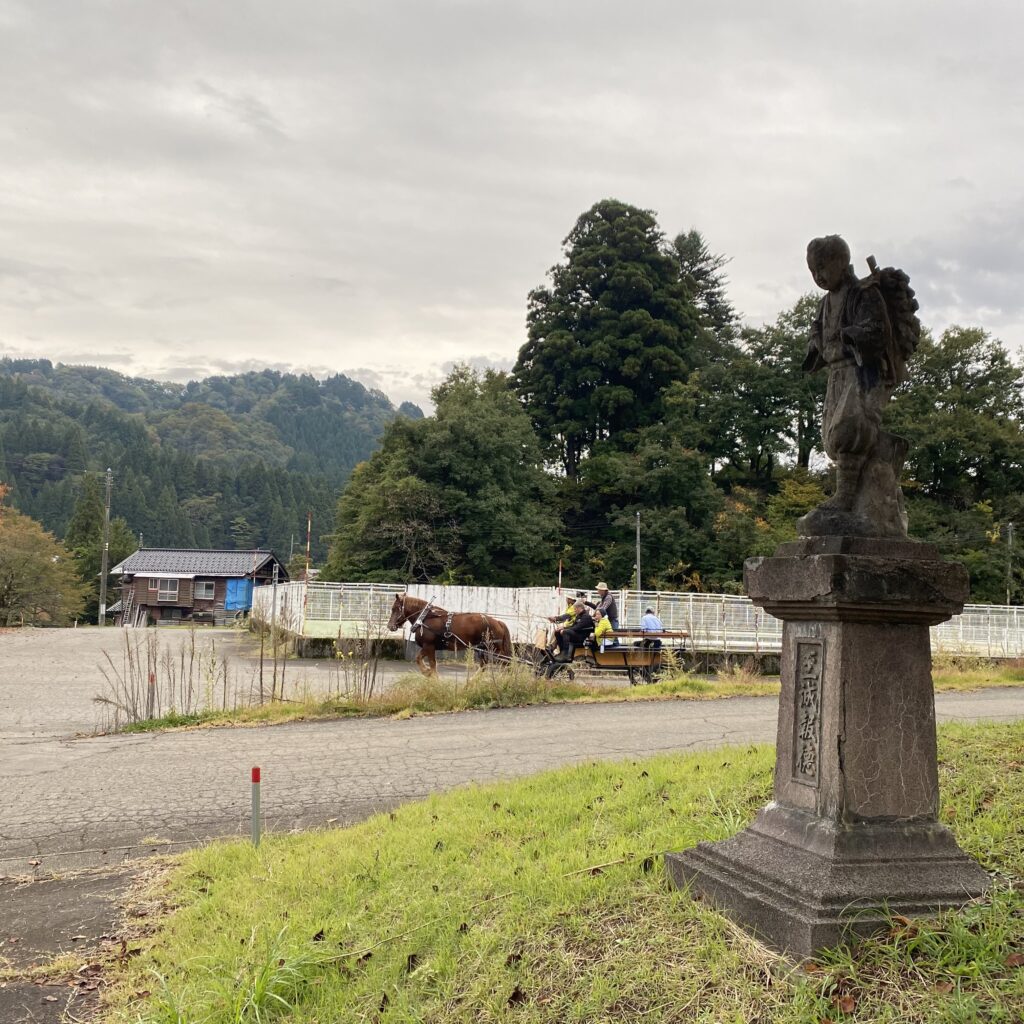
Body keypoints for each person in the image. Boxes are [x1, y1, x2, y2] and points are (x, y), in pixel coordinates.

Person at [801, 235, 909, 534]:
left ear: (841, 262)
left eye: (822, 268)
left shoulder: (863, 293)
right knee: (830, 433)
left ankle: (847, 498)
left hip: (862, 372)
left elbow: (876, 331)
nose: (819, 277)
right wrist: (815, 347)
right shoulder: (826, 303)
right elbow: (817, 331)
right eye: (813, 271)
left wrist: (851, 335)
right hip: (837, 373)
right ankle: (846, 495)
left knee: (849, 427)